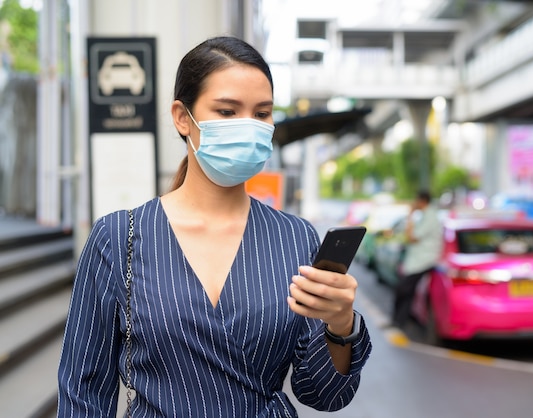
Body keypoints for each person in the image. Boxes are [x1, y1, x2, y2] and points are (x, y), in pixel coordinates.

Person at [57, 36, 371, 417]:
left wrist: (340, 323)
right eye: (226, 111)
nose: (248, 127)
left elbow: (323, 394)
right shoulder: (118, 239)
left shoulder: (295, 238)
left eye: (261, 114)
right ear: (181, 117)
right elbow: (82, 393)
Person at [391, 189, 442, 327]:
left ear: (422, 201)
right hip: (419, 260)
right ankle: (399, 321)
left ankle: (399, 321)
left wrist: (410, 215)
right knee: (407, 291)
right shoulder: (427, 215)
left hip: (423, 261)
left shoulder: (430, 217)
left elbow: (411, 237)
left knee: (403, 290)